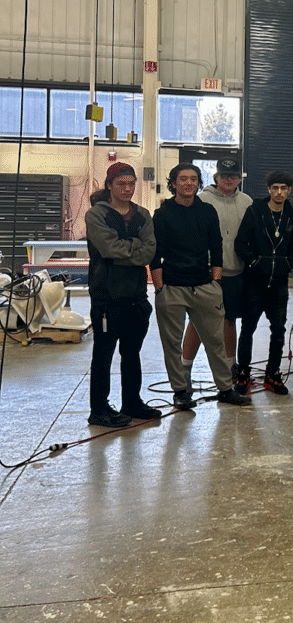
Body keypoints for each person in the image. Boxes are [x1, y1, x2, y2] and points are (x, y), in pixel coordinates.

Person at [151, 163, 250, 410]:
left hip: (205, 287)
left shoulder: (207, 211)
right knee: (172, 345)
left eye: (193, 179)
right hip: (172, 288)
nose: (188, 183)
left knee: (215, 342)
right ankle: (180, 391)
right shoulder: (162, 214)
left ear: (199, 182)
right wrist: (160, 287)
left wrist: (216, 280)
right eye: (183, 179)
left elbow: (216, 247)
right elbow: (155, 253)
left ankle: (225, 389)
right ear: (173, 183)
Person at [84, 162, 161, 427]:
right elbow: (107, 248)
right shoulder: (97, 215)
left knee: (132, 352)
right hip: (108, 297)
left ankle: (132, 402)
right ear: (109, 186)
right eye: (121, 184)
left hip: (136, 297)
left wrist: (126, 251)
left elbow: (149, 251)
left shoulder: (142, 215)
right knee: (103, 354)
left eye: (131, 184)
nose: (127, 189)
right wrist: (134, 249)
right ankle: (99, 409)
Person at [181, 158, 252, 390]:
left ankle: (230, 369)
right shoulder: (201, 201)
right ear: (216, 177)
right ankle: (185, 370)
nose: (229, 179)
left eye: (233, 175)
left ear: (240, 178)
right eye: (224, 175)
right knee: (198, 323)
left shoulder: (247, 202)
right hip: (206, 273)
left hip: (236, 273)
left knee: (229, 321)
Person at [233, 170, 293, 395]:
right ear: (269, 190)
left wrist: (286, 265)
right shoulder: (255, 211)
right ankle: (243, 373)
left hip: (279, 284)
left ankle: (273, 374)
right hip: (255, 283)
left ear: (289, 191)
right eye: (275, 188)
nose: (279, 192)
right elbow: (240, 244)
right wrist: (255, 263)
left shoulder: (291, 213)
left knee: (279, 330)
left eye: (284, 188)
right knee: (248, 329)